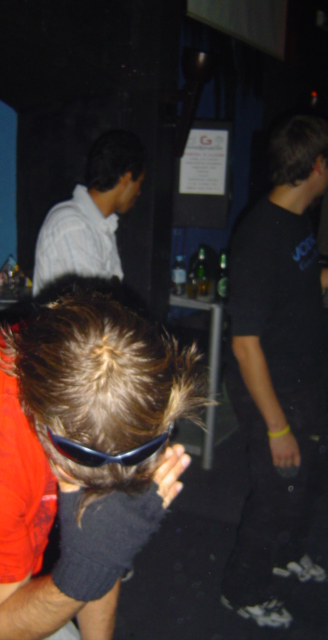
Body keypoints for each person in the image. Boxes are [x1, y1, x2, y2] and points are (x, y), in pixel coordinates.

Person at [0, 293, 206, 640]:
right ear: (47, 427)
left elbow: (102, 541)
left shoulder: (72, 363)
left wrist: (105, 554)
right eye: (86, 463)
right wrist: (86, 573)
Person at [221, 114, 328, 629]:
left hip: (303, 380)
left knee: (304, 481)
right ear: (317, 165)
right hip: (271, 390)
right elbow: (245, 347)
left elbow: (301, 281)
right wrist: (277, 426)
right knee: (276, 489)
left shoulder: (298, 219)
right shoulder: (259, 237)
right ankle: (242, 591)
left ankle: (285, 554)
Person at [33, 130, 145, 297]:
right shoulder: (72, 225)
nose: (139, 192)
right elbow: (92, 305)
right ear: (126, 178)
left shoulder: (102, 225)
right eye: (139, 183)